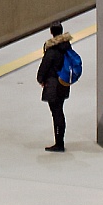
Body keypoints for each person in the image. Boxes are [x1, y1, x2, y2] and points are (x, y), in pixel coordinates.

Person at [37, 22, 75, 152]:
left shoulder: (52, 50)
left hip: (53, 85)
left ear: (51, 32)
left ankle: (59, 143)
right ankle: (60, 140)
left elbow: (44, 68)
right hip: (64, 83)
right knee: (60, 111)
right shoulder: (66, 47)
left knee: (56, 113)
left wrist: (40, 79)